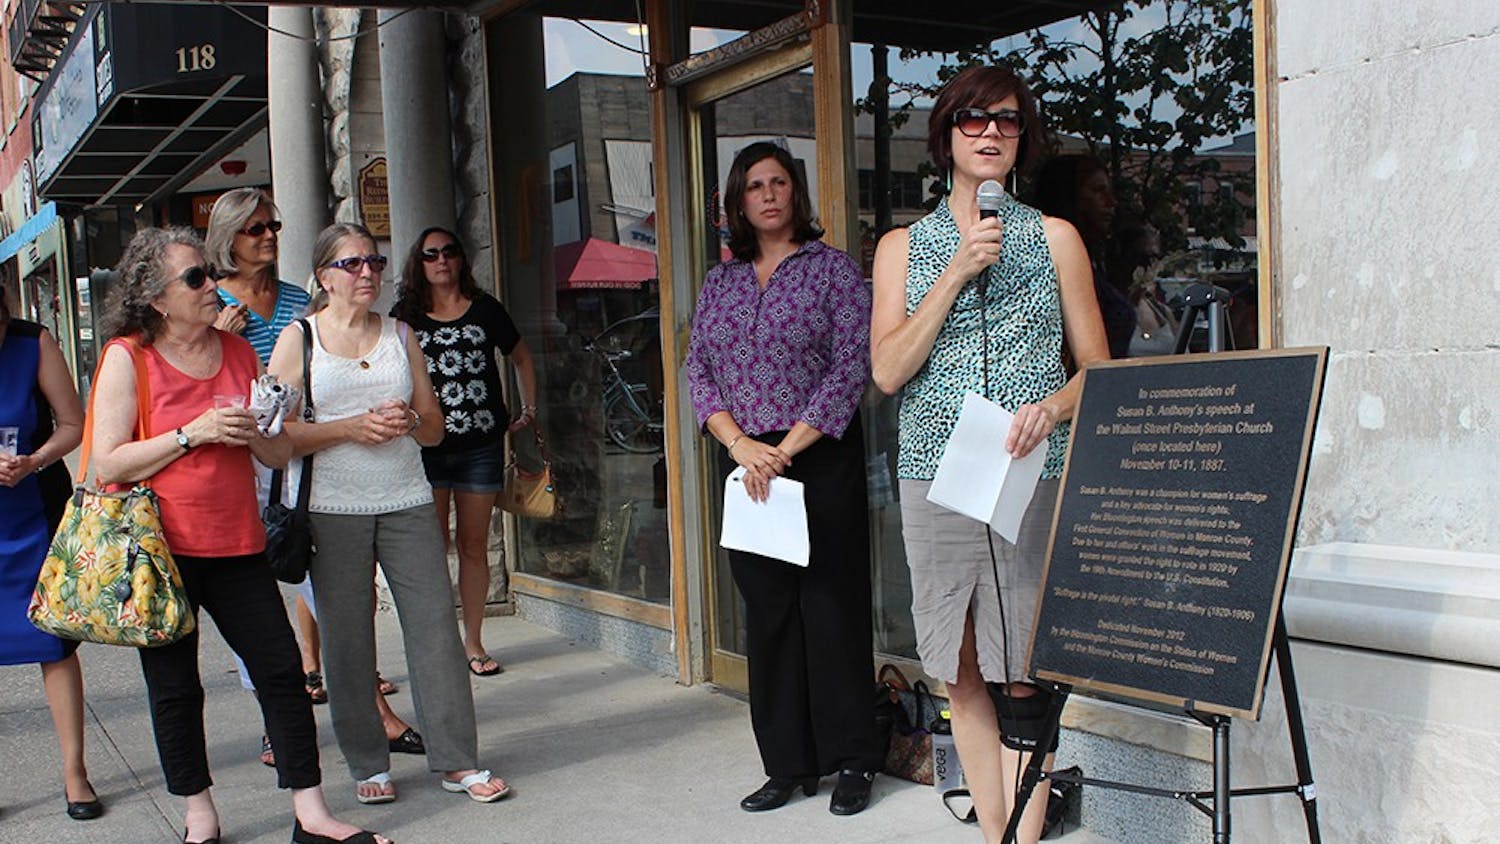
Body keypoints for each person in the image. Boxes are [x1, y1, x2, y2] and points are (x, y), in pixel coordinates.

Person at [869, 66, 1109, 844]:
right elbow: (887, 370)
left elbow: (1099, 370)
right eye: (974, 120)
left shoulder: (1055, 238)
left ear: (1021, 140)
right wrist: (958, 268)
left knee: (1026, 668)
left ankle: (1024, 838)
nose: (991, 133)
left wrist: (1052, 408)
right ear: (946, 137)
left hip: (1028, 470)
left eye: (1006, 121)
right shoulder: (904, 248)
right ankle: (995, 830)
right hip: (935, 470)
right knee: (957, 662)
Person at [89, 227, 387, 844]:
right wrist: (190, 434)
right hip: (161, 552)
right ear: (156, 296)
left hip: (237, 541)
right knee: (175, 686)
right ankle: (200, 816)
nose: (212, 284)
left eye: (209, 270)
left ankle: (311, 813)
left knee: (281, 671)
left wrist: (263, 431)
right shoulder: (128, 356)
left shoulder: (238, 351)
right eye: (196, 277)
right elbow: (107, 463)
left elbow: (276, 454)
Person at [268, 223, 510, 805]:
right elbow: (274, 439)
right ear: (324, 276)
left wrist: (406, 419)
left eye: (374, 263)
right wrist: (351, 427)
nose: (367, 275)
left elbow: (434, 430)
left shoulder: (401, 334)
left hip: (405, 497)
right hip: (332, 507)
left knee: (434, 631)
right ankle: (367, 762)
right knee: (349, 640)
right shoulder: (299, 340)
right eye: (352, 265)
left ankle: (457, 760)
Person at [685, 141, 883, 817]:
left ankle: (854, 758)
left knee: (830, 609)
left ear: (795, 191)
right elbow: (697, 371)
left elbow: (851, 366)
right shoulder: (723, 280)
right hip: (746, 463)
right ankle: (787, 764)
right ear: (737, 202)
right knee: (768, 616)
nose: (768, 194)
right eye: (753, 186)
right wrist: (741, 445)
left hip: (816, 455)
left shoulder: (833, 272)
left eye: (778, 182)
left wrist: (785, 448)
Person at [203, 188, 422, 767]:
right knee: (253, 600)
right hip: (234, 464)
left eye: (273, 224)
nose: (269, 235)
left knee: (331, 596)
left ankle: (372, 708)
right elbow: (209, 382)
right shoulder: (210, 303)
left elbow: (318, 368)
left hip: (303, 461)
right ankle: (277, 721)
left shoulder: (299, 298)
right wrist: (221, 337)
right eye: (254, 229)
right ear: (228, 236)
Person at [392, 226, 537, 677]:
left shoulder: (485, 309)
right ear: (419, 262)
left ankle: (473, 642)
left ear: (460, 259)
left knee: (473, 546)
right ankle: (438, 642)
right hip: (426, 448)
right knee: (430, 548)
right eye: (430, 254)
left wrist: (529, 407)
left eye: (449, 252)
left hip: (480, 445)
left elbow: (521, 356)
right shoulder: (406, 317)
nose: (441, 260)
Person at [0, 297, 100, 821]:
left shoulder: (33, 341)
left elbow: (72, 423)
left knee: (54, 645)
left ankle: (74, 771)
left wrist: (33, 460)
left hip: (32, 514)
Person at [1031, 154, 1135, 359]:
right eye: (1098, 191)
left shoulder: (1098, 262)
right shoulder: (1046, 261)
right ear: (1069, 196)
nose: (1111, 202)